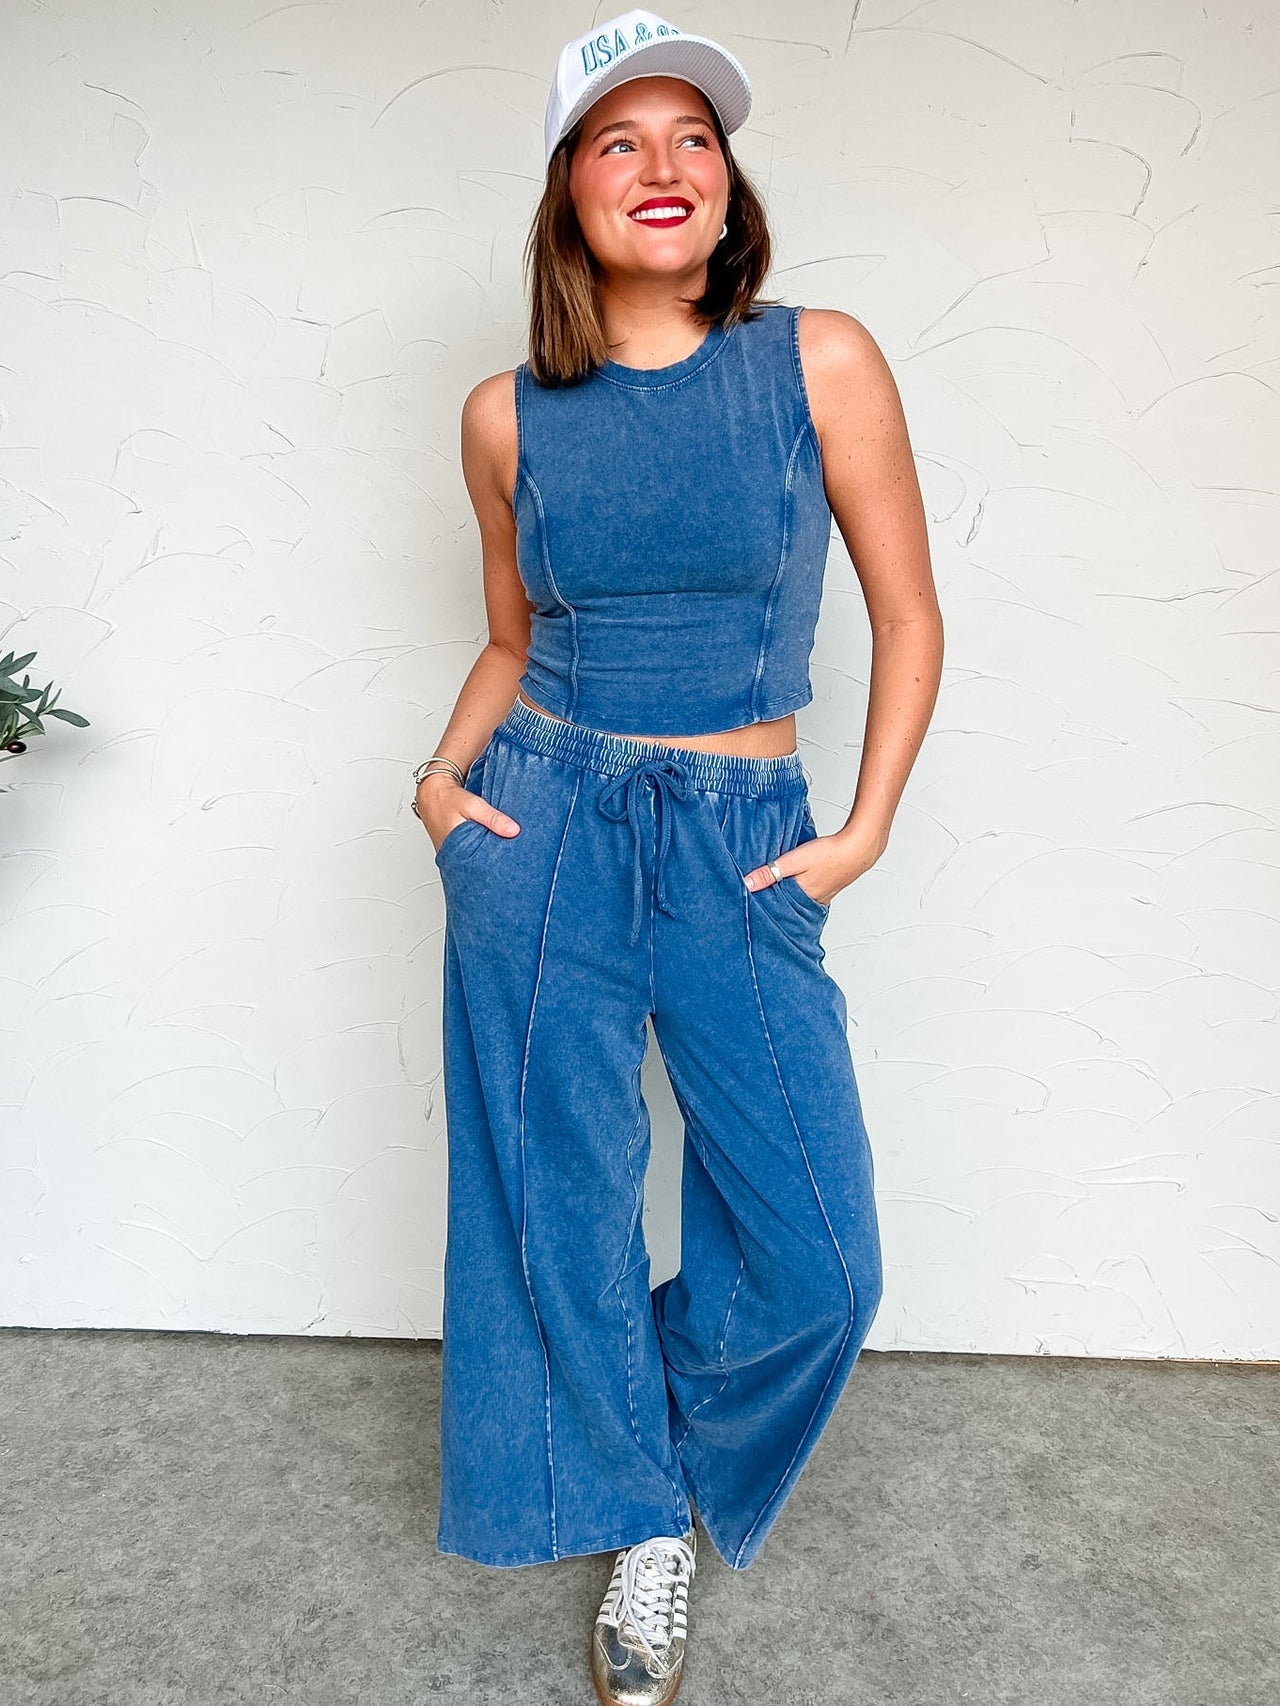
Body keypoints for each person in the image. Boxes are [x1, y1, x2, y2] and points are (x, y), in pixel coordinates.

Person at [412, 10, 943, 1703]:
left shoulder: (821, 359)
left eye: (692, 139)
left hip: (741, 835)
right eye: (618, 142)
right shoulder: (505, 416)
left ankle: (631, 1418)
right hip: (541, 822)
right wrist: (438, 782)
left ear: (730, 185)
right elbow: (511, 636)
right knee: (550, 1193)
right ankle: (641, 1519)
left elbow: (911, 612)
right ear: (568, 192)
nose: (663, 166)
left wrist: (860, 825)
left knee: (822, 1252)